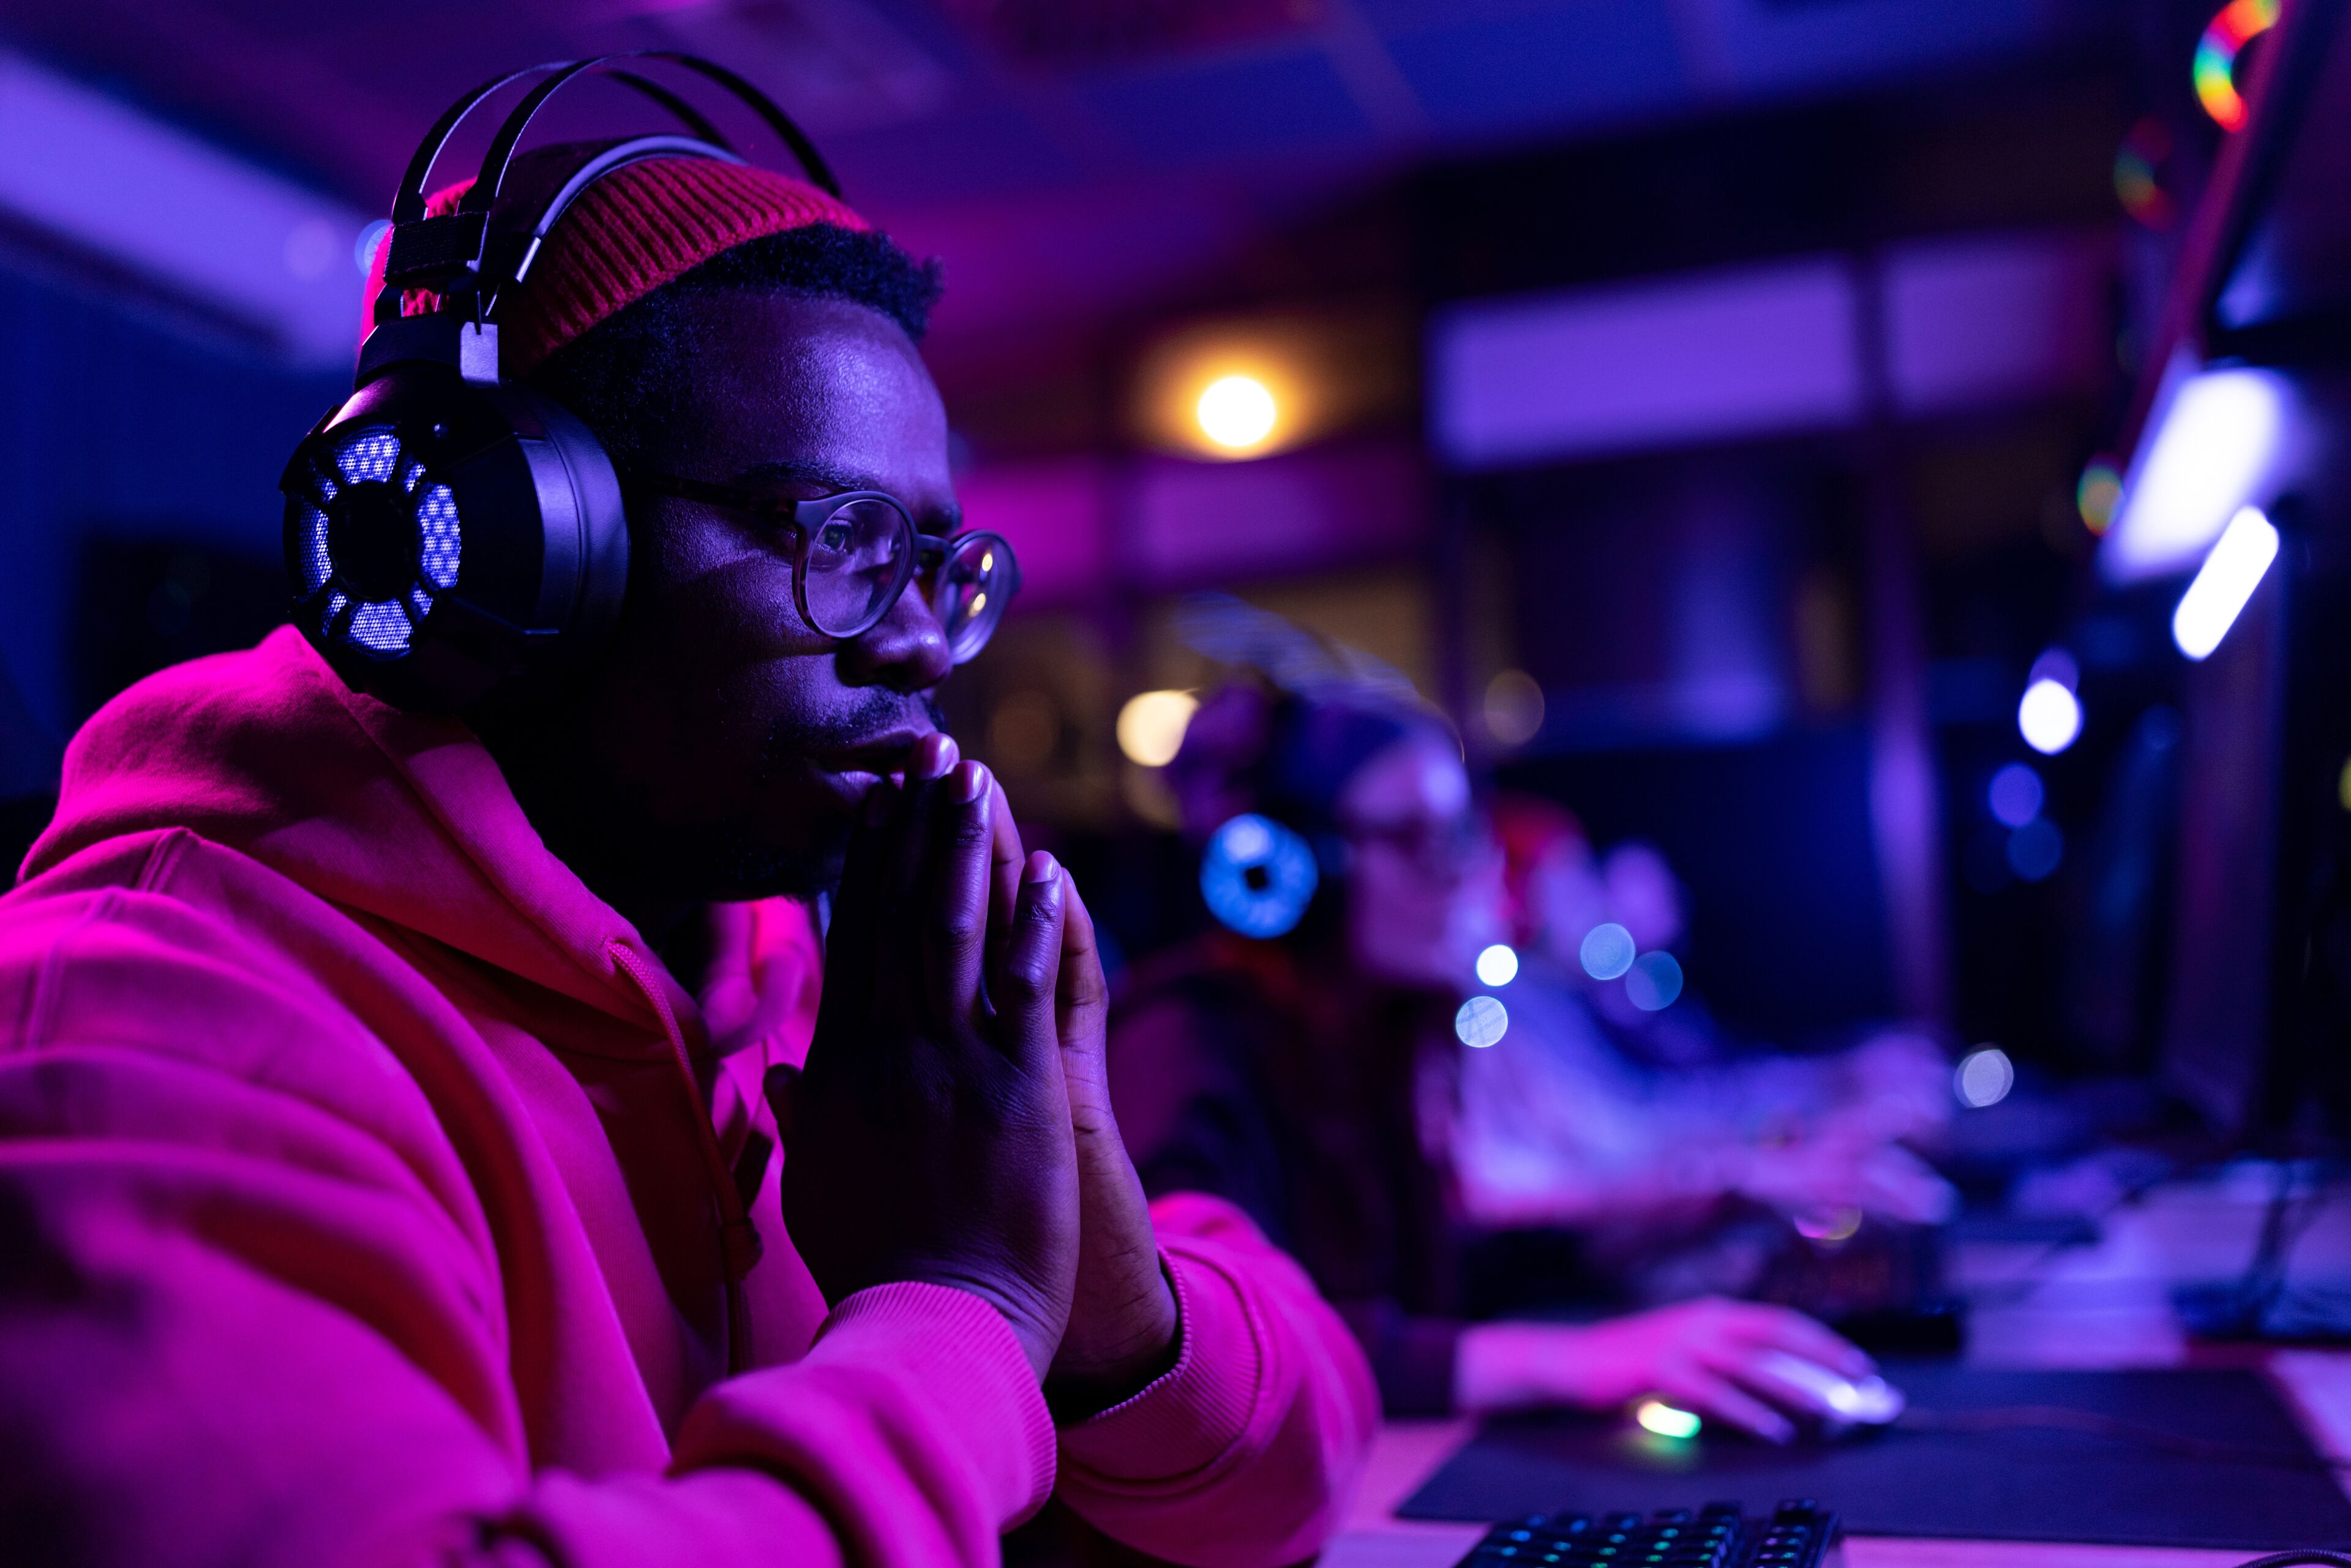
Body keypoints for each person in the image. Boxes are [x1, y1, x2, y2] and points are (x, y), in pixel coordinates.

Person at [0, 121, 1373, 1567]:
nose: (917, 638)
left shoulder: (795, 955)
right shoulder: (138, 1022)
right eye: (838, 535)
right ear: (528, 531)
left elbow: (1288, 1475)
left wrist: (1097, 1274)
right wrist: (954, 1306)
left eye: (933, 567)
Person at [1111, 679, 1877, 1441]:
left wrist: (1705, 1203)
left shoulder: (1371, 1034)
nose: (1460, 873)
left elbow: (1441, 1275)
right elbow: (1219, 1341)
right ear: (1297, 871)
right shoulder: (1181, 1041)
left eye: (1462, 833)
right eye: (1415, 837)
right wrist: (1568, 1358)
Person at [1450, 793, 1957, 1299]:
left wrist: (1814, 1099)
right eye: (1569, 883)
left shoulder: (1562, 1001)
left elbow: (1666, 1104)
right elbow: (1616, 1141)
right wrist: (1759, 1156)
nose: (1593, 902)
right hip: (1550, 1294)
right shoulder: (1497, 1008)